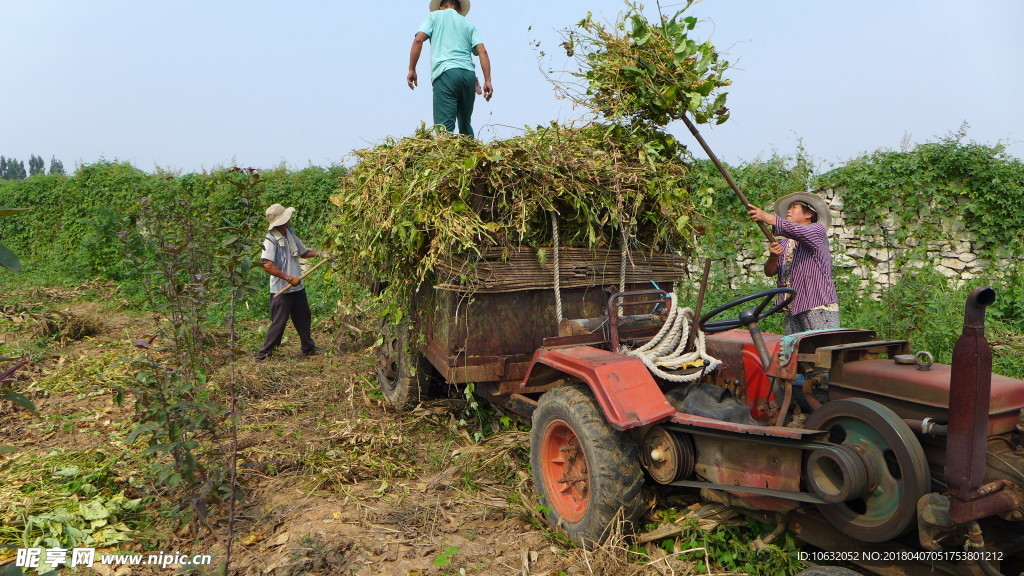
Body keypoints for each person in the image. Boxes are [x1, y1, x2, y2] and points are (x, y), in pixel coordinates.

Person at [748, 192, 840, 335]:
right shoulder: (785, 243)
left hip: (817, 306)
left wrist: (766, 217)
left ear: (808, 214)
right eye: (788, 208)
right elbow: (770, 272)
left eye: (794, 207)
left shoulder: (817, 230)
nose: (788, 211)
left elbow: (801, 232)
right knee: (796, 353)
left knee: (822, 349)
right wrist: (773, 257)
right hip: (792, 307)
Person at [407, 0, 493, 138]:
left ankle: (447, 154)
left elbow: (418, 40)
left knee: (444, 129)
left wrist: (412, 69)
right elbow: (482, 51)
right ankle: (471, 154)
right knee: (465, 124)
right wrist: (488, 80)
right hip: (468, 75)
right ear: (459, 10)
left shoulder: (434, 17)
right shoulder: (468, 24)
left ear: (441, 7)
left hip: (446, 72)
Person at [255, 204, 327, 360]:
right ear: (280, 222)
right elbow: (267, 265)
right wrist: (288, 278)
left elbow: (304, 252)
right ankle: (264, 354)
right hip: (282, 289)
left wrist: (321, 254)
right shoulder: (270, 240)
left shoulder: (290, 234)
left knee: (304, 317)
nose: (289, 220)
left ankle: (308, 348)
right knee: (279, 323)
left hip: (297, 288)